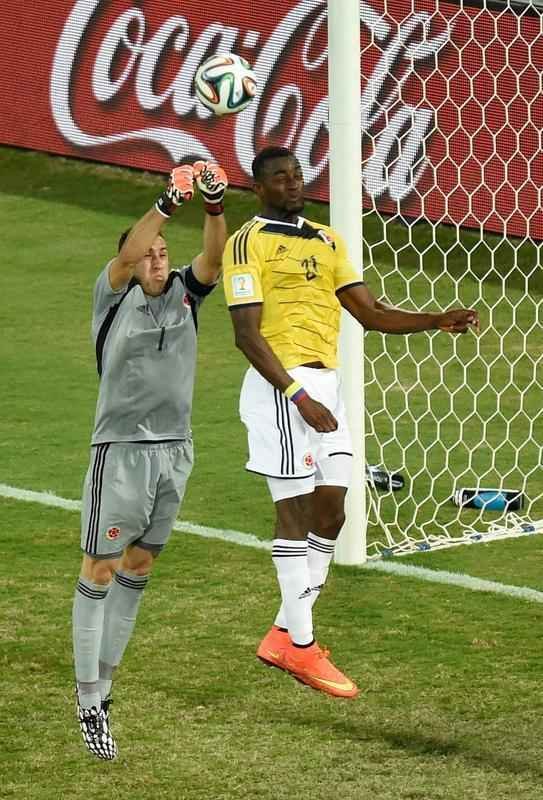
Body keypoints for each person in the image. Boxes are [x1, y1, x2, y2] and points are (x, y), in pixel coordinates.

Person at [222, 146, 479, 700]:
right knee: (292, 512)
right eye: (280, 179)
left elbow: (370, 312)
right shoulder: (247, 243)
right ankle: (303, 644)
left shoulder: (329, 239)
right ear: (259, 188)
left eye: (297, 175)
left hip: (326, 388)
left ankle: (287, 632)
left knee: (334, 509)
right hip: (281, 388)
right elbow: (246, 334)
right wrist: (294, 394)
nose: (293, 184)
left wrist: (436, 319)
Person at [72, 161, 228, 759]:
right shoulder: (111, 297)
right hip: (120, 454)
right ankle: (87, 702)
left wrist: (213, 207)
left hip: (175, 452)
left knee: (139, 565)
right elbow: (131, 246)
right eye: (149, 251)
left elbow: (214, 258)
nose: (159, 256)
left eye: (164, 251)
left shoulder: (188, 294)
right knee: (100, 570)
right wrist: (167, 201)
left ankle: (105, 691)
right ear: (130, 263)